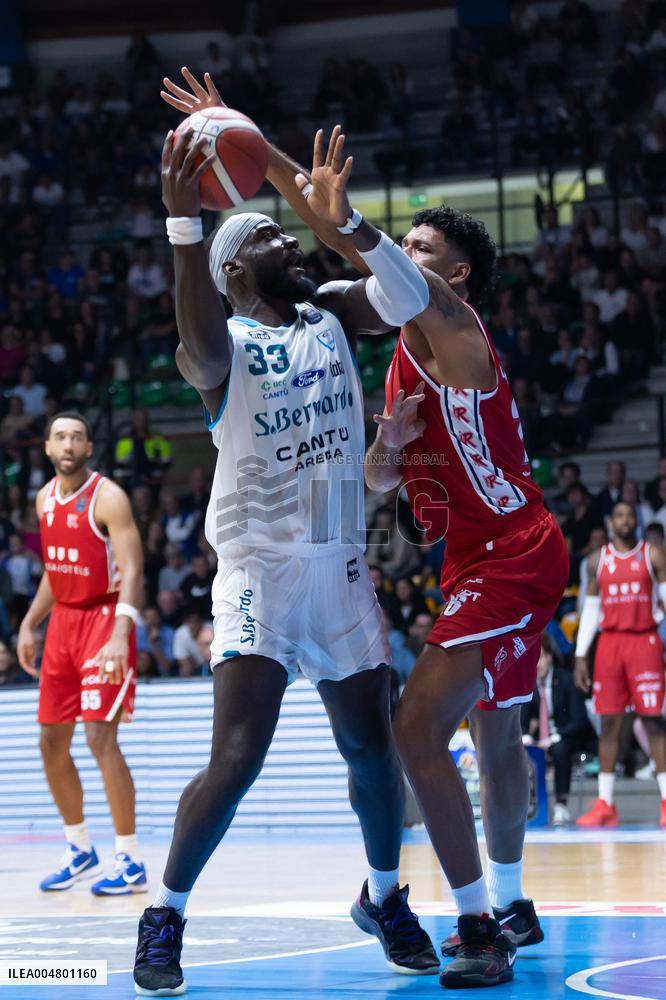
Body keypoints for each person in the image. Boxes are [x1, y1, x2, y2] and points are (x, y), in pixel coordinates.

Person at [131, 70, 438, 996]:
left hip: (340, 563)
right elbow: (197, 341)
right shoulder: (222, 345)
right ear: (234, 270)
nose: (285, 238)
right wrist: (184, 225)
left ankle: (382, 896)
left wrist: (269, 156)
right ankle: (164, 914)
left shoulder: (330, 312)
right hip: (260, 571)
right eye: (266, 234)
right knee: (237, 758)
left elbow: (406, 299)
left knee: (373, 751)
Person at [361, 204, 569, 987]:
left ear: (456, 276)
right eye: (403, 242)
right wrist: (389, 443)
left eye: (422, 248)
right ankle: (512, 904)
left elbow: (369, 252)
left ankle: (478, 926)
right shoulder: (401, 355)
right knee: (497, 735)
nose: (404, 252)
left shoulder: (456, 327)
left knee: (416, 730)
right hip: (475, 559)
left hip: (515, 551)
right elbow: (379, 482)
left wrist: (337, 213)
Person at [16, 412, 147, 895]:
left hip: (104, 620)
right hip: (63, 625)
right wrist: (30, 623)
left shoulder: (108, 496)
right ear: (48, 448)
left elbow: (133, 568)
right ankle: (79, 849)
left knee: (99, 738)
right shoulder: (44, 499)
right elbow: (57, 572)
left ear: (88, 447)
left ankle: (129, 858)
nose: (68, 444)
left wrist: (120, 631)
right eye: (60, 437)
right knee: (51, 742)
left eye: (76, 437)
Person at [574, 501, 666, 828]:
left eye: (630, 515)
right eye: (619, 515)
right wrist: (581, 655)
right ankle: (605, 805)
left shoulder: (653, 554)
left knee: (653, 722)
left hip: (644, 640)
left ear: (635, 521)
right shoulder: (596, 560)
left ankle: (665, 802)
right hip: (610, 644)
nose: (625, 520)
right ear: (611, 522)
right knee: (609, 723)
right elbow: (591, 610)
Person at [521, 634, 596, 825]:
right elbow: (522, 719)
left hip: (571, 737)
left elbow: (579, 720)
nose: (536, 664)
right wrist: (526, 736)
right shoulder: (528, 683)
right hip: (542, 739)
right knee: (523, 749)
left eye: (539, 658)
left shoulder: (567, 679)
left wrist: (555, 737)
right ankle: (527, 805)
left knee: (560, 748)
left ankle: (561, 805)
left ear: (549, 657)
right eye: (532, 659)